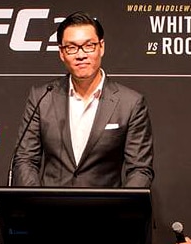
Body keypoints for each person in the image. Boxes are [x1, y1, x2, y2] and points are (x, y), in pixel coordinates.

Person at [11, 11, 154, 188]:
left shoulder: (130, 103)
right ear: (62, 53)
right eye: (71, 47)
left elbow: (140, 169)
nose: (80, 55)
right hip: (51, 211)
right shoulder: (42, 97)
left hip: (105, 212)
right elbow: (25, 159)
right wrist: (38, 204)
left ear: (101, 47)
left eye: (89, 46)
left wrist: (120, 210)